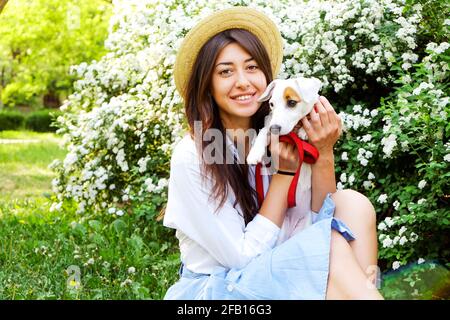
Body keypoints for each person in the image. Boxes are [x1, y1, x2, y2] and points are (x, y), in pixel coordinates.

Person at [163, 6, 383, 300]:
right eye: (226, 71)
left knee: (353, 206)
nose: (243, 81)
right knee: (331, 249)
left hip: (276, 270)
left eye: (252, 67)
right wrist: (283, 176)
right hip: (220, 289)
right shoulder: (193, 156)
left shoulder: (277, 135)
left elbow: (317, 218)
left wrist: (323, 151)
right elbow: (241, 258)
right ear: (207, 86)